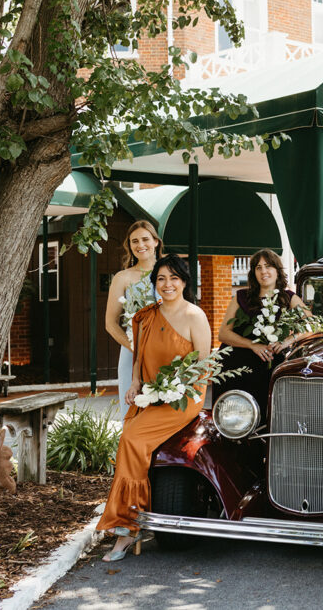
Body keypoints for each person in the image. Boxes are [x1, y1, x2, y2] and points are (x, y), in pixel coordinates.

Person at [97, 254, 212, 561]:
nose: (167, 284)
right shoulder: (145, 316)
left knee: (133, 440)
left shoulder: (195, 316)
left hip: (183, 397)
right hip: (150, 393)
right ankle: (131, 519)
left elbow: (204, 365)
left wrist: (175, 388)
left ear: (184, 282)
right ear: (155, 284)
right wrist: (135, 383)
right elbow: (138, 358)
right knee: (129, 436)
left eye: (174, 278)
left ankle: (127, 527)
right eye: (161, 279)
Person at [218, 249, 311, 379]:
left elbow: (313, 325)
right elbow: (223, 333)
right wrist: (252, 345)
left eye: (268, 266)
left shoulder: (288, 298)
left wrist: (287, 341)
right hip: (236, 366)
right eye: (258, 267)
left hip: (271, 366)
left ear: (277, 270)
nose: (263, 271)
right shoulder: (241, 297)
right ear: (254, 273)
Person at [105, 221, 162, 418]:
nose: (140, 245)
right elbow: (110, 324)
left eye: (145, 239)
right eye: (134, 241)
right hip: (133, 351)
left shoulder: (169, 273)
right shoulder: (123, 277)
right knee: (133, 412)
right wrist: (135, 347)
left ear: (155, 242)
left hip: (166, 349)